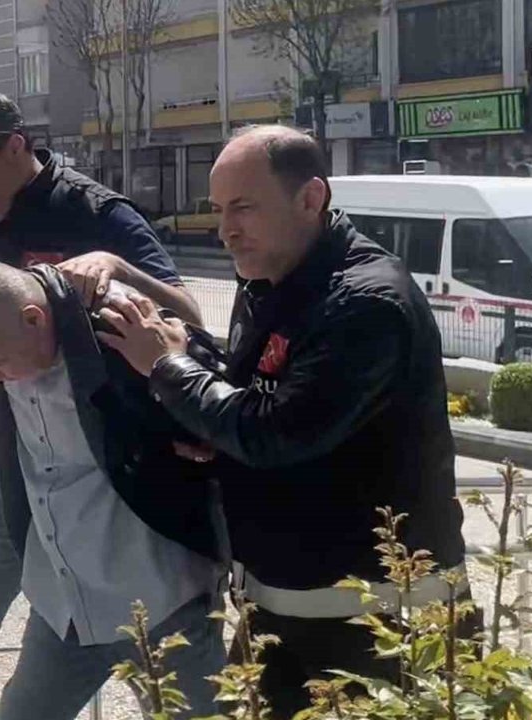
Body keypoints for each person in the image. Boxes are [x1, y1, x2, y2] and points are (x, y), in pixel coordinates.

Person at [96, 125, 468, 717]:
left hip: (379, 623)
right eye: (219, 209)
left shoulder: (365, 302)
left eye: (243, 207)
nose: (226, 229)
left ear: (310, 198)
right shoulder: (268, 280)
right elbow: (256, 403)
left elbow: (275, 432)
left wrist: (167, 366)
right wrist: (204, 411)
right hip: (278, 609)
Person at [0, 90, 204, 720]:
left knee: (150, 655)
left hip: (103, 479)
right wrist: (7, 371)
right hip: (4, 467)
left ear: (14, 147)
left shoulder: (95, 214)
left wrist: (118, 268)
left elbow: (188, 323)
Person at [0, 260, 228, 718]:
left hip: (162, 602)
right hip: (62, 605)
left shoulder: (122, 325)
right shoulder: (2, 341)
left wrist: (180, 419)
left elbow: (219, 411)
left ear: (34, 320)